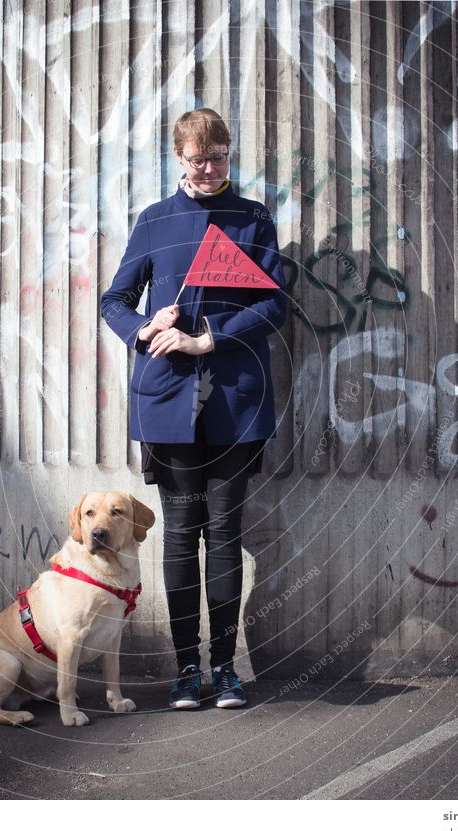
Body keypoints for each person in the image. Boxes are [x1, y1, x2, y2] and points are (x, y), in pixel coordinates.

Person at [101, 107, 286, 709]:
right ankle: (187, 672)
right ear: (177, 158)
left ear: (230, 154)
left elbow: (274, 306)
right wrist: (143, 328)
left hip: (235, 403)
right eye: (197, 160)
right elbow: (114, 300)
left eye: (220, 157)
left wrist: (210, 336)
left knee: (225, 534)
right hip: (168, 402)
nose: (209, 170)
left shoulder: (253, 217)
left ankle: (226, 670)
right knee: (181, 534)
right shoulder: (154, 221)